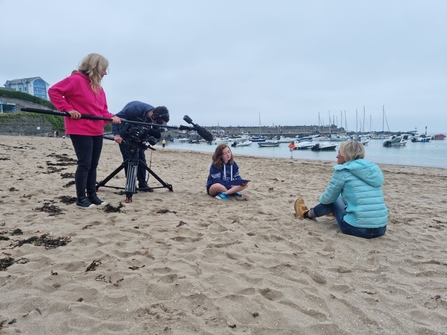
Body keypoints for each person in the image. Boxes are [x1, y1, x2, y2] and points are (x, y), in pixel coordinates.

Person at [48, 53, 121, 208]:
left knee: (93, 164)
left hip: (97, 130)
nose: (105, 73)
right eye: (104, 69)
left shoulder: (99, 89)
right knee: (85, 163)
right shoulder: (75, 80)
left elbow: (103, 112)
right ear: (95, 67)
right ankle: (81, 199)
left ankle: (92, 195)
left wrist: (112, 118)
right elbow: (53, 91)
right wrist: (68, 109)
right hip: (80, 128)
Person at [294, 140, 388, 239]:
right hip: (381, 229)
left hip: (357, 228)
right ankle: (332, 212)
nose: (337, 156)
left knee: (333, 200)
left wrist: (322, 202)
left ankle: (306, 214)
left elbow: (328, 198)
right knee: (347, 196)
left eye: (339, 152)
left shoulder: (342, 171)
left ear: (346, 155)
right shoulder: (371, 171)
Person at [112, 101, 169, 191]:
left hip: (139, 137)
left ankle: (142, 183)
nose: (158, 123)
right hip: (125, 134)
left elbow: (156, 134)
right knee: (128, 159)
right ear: (154, 115)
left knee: (142, 159)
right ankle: (131, 184)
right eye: (158, 121)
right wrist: (117, 135)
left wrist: (153, 139)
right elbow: (115, 118)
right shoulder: (134, 109)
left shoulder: (155, 119)